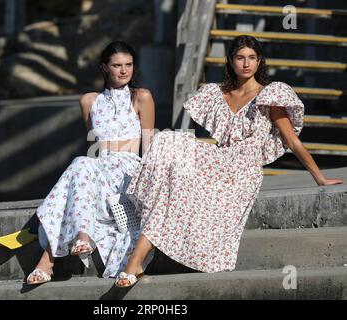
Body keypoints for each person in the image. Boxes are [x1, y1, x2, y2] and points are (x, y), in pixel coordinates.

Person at [115, 35, 343, 287]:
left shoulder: (270, 94)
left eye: (252, 58)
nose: (246, 64)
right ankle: (135, 261)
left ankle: (133, 261)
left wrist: (319, 176)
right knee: (167, 141)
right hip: (219, 160)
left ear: (259, 61)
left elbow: (292, 141)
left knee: (177, 180)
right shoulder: (217, 93)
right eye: (240, 57)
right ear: (231, 61)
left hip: (243, 170)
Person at [27, 41, 155, 285]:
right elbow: (95, 144)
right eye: (117, 65)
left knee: (80, 165)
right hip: (98, 169)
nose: (124, 70)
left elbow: (149, 147)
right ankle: (81, 235)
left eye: (128, 65)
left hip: (128, 169)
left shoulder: (142, 97)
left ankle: (49, 260)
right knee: (83, 163)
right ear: (104, 68)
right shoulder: (89, 101)